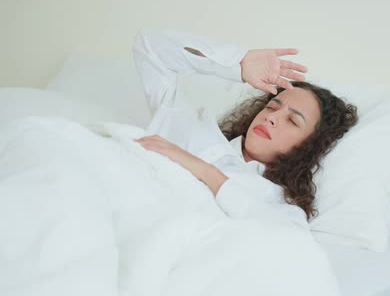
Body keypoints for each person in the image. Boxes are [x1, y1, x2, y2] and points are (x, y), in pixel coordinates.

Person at [132, 29, 358, 230]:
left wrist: (206, 172)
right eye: (272, 107)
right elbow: (149, 45)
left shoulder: (275, 203)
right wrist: (236, 63)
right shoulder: (195, 128)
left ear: (309, 146)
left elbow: (287, 238)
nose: (272, 118)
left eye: (292, 121)